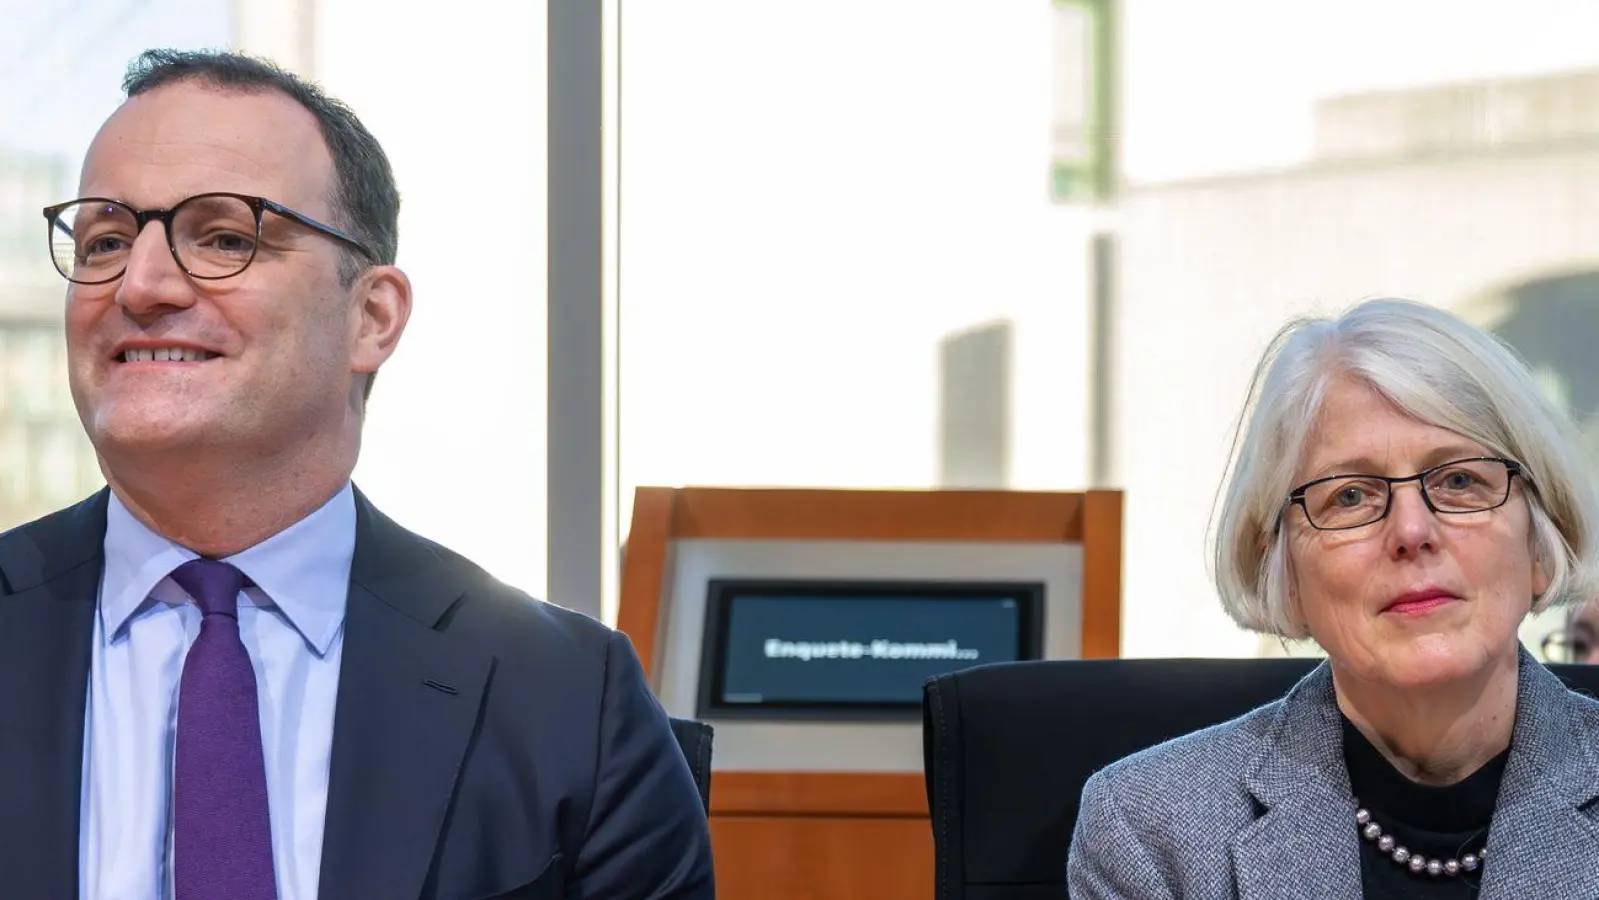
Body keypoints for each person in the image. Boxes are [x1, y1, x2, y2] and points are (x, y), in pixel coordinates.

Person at [4, 49, 714, 899]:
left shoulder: (566, 701)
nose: (141, 284)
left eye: (224, 237)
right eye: (106, 241)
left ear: (371, 316)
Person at [1067, 298, 1599, 899]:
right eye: (1350, 496)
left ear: (1541, 537)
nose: (1412, 531)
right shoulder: (1151, 830)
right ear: (1283, 571)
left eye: (1459, 480)